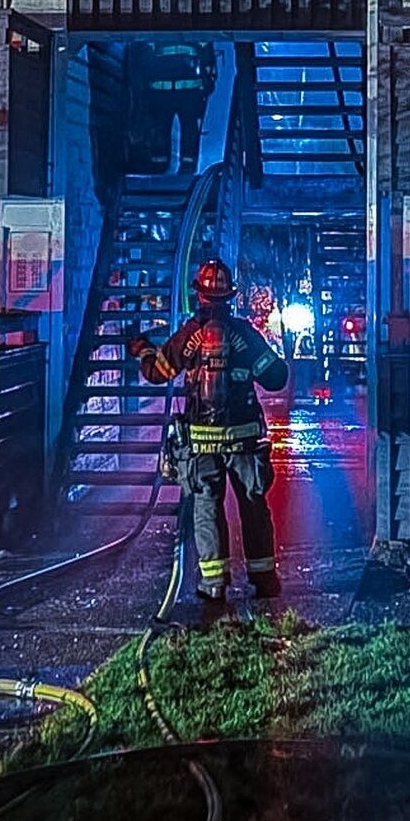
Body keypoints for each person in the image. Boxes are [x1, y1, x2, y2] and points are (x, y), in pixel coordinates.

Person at [129, 258, 289, 603]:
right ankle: (264, 580)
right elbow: (276, 379)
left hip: (201, 442)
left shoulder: (189, 334)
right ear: (230, 296)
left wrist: (142, 350)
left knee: (206, 507)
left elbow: (157, 373)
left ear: (198, 295)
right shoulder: (244, 334)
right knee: (252, 504)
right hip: (244, 439)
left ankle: (214, 583)